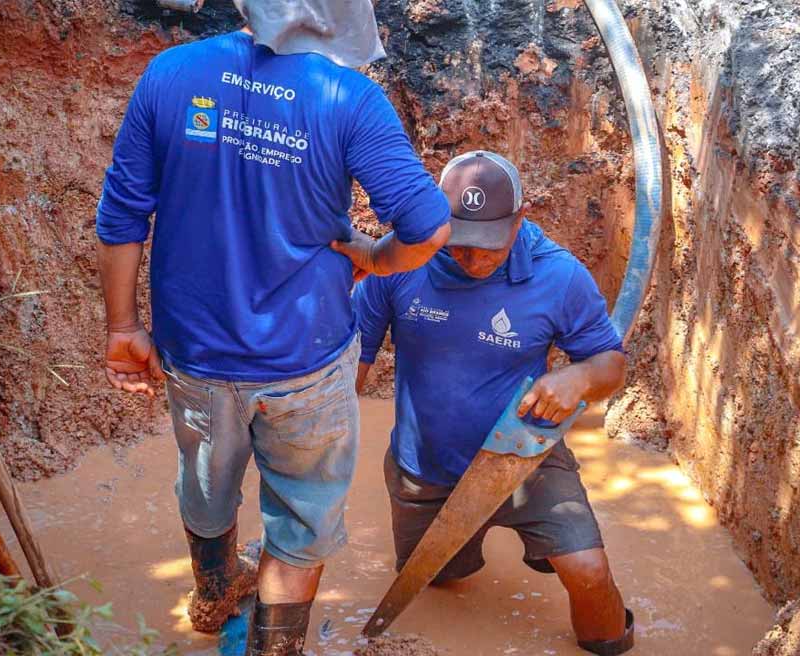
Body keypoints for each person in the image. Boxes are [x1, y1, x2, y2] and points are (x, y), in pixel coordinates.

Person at [94, 0, 451, 652]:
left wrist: (123, 327)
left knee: (206, 479)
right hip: (305, 360)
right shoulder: (350, 99)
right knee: (301, 523)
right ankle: (274, 647)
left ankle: (213, 589)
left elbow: (122, 213)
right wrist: (374, 259)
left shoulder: (170, 74)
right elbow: (429, 228)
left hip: (194, 354)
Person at [354, 151, 635, 655]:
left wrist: (579, 376)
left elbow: (611, 365)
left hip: (524, 458)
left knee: (589, 574)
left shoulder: (559, 276)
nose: (476, 260)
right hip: (425, 472)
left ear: (519, 220)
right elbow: (347, 371)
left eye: (490, 246)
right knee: (435, 582)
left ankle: (612, 641)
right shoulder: (398, 265)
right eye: (461, 247)